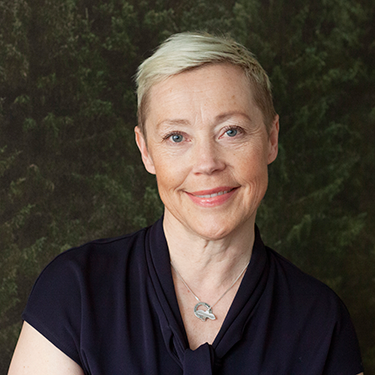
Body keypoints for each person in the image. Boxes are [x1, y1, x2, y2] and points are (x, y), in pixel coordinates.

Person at [8, 32, 364, 375]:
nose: (207, 163)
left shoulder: (321, 319)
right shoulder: (74, 291)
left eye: (231, 131)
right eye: (176, 137)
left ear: (271, 139)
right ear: (146, 151)